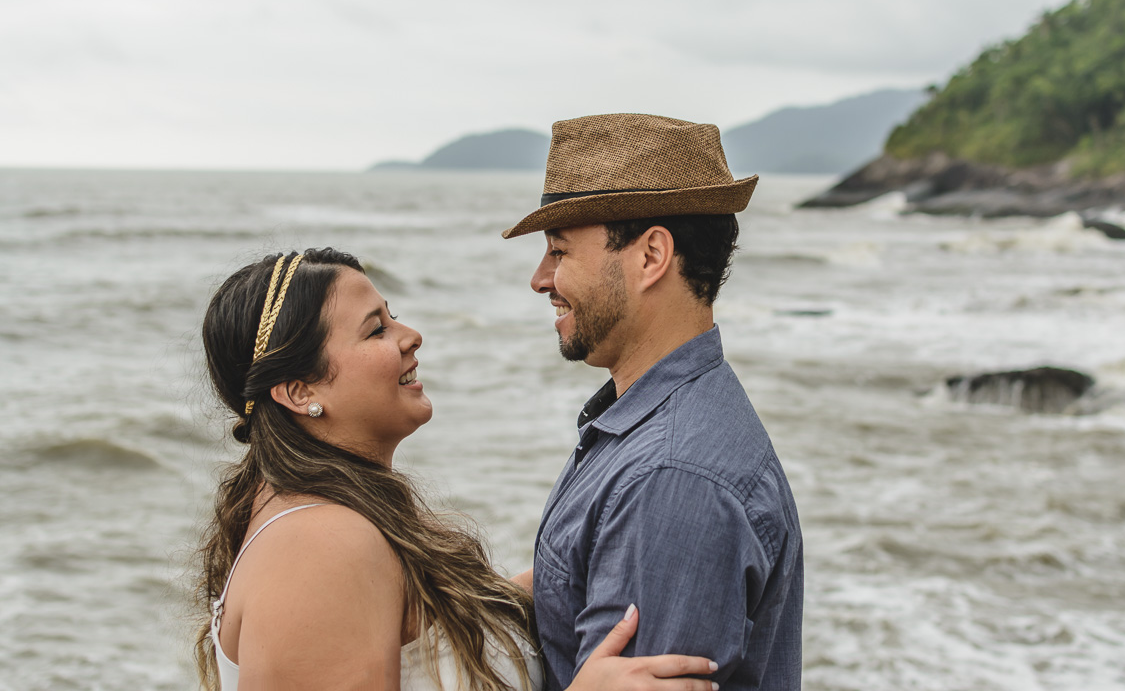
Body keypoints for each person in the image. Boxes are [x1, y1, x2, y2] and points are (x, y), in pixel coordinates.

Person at [193, 247, 720, 690]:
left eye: (392, 316)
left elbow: (429, 643)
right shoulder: (319, 546)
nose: (410, 335)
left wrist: (596, 552)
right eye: (376, 330)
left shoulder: (322, 519)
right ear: (298, 391)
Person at [501, 114, 804, 690]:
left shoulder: (669, 477)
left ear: (650, 256)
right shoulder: (645, 425)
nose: (541, 279)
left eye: (559, 251)